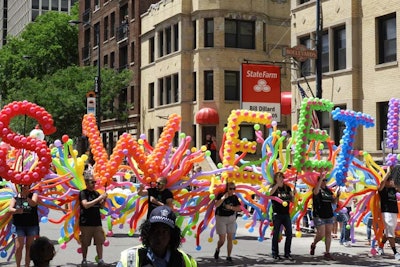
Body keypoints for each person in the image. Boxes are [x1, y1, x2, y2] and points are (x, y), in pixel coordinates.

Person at [117, 205, 197, 266]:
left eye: (164, 231)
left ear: (172, 235)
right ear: (147, 232)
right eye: (155, 230)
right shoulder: (130, 259)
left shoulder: (184, 260)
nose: (159, 236)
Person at [79, 172, 108, 266]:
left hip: (97, 222)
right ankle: (84, 259)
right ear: (87, 183)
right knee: (85, 243)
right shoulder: (83, 193)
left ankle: (100, 259)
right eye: (92, 182)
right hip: (86, 222)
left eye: (94, 182)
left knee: (99, 242)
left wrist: (104, 199)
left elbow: (101, 207)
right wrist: (99, 198)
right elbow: (86, 205)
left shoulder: (96, 193)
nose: (94, 184)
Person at [9, 184, 39, 267]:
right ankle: (18, 265)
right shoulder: (15, 197)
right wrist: (16, 210)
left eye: (26, 186)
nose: (24, 188)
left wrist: (26, 197)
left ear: (29, 187)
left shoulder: (34, 195)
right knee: (19, 247)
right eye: (22, 187)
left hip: (31, 224)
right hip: (18, 225)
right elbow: (10, 208)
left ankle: (27, 265)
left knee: (29, 247)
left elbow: (33, 203)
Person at [309, 173, 338, 260]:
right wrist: (320, 179)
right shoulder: (316, 189)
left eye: (326, 180)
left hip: (329, 214)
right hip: (319, 215)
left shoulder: (328, 191)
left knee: (328, 233)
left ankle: (327, 252)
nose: (324, 182)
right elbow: (315, 192)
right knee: (321, 234)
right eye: (323, 180)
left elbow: (333, 201)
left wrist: (338, 196)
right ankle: (314, 244)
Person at [269, 171, 295, 261]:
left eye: (282, 177)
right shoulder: (273, 187)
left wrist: (293, 196)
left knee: (289, 234)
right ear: (275, 179)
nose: (281, 179)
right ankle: (275, 253)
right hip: (277, 213)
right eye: (279, 177)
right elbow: (269, 193)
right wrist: (277, 185)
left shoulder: (287, 188)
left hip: (286, 214)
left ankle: (287, 253)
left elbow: (292, 200)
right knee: (276, 234)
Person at [213, 182, 241, 263]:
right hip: (221, 218)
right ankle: (218, 248)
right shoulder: (221, 195)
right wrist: (223, 198)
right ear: (226, 189)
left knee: (230, 238)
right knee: (222, 240)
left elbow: (239, 208)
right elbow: (216, 205)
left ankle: (229, 256)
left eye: (233, 188)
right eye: (230, 188)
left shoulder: (234, 197)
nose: (232, 190)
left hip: (231, 219)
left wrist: (231, 207)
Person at [376, 167, 400, 260]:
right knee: (390, 233)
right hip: (386, 212)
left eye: (391, 180)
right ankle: (396, 252)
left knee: (388, 232)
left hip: (394, 212)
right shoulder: (382, 190)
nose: (391, 181)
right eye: (389, 180)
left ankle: (380, 247)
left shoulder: (394, 190)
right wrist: (388, 172)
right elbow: (381, 183)